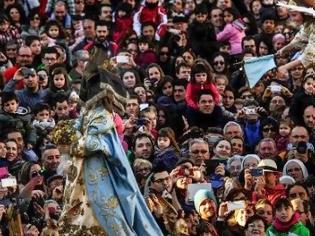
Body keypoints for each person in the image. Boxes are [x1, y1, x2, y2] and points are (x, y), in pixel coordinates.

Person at [59, 67, 163, 235]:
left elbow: (92, 144)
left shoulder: (101, 115)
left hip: (100, 173)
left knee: (102, 211)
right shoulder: (89, 113)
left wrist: (69, 144)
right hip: (85, 171)